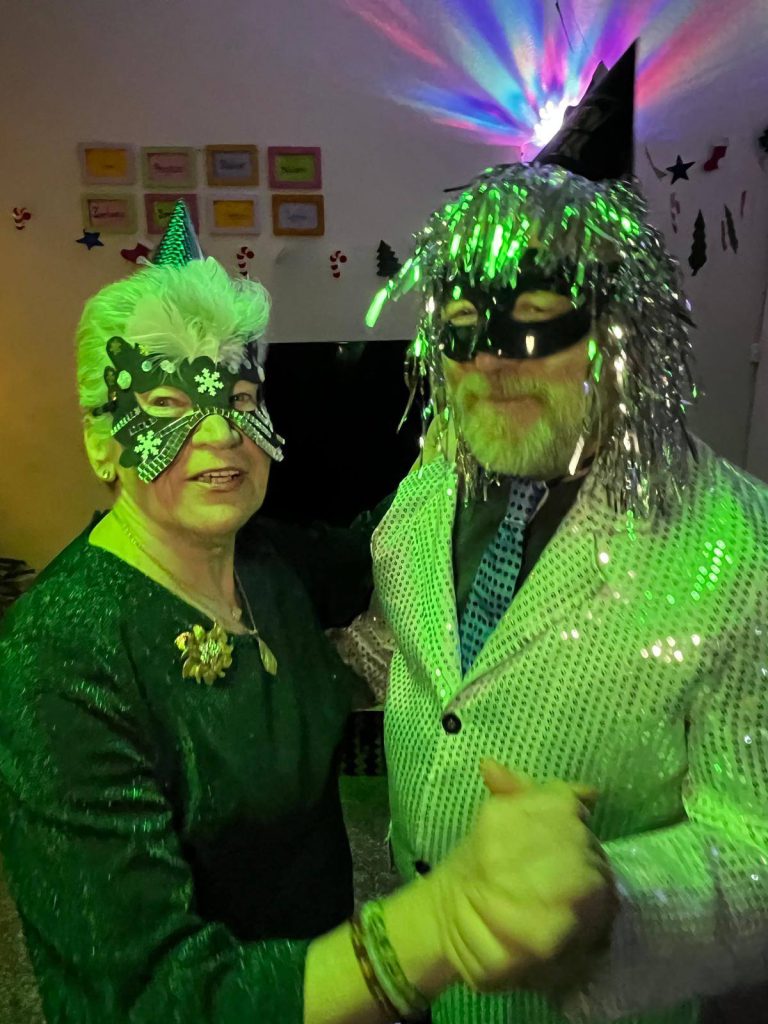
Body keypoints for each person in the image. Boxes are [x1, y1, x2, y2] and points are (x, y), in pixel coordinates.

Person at [0, 202, 611, 1023]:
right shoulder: (60, 652)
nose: (220, 431)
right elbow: (147, 998)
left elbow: (376, 549)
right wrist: (435, 925)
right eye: (170, 404)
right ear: (102, 441)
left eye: (239, 395)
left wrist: (466, 442)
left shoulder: (265, 564)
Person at [356, 44, 768, 1024]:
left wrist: (610, 899)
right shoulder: (432, 479)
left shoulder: (742, 546)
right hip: (413, 967)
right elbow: (422, 668)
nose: (490, 360)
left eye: (536, 317)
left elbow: (757, 842)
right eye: (462, 323)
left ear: (621, 333)